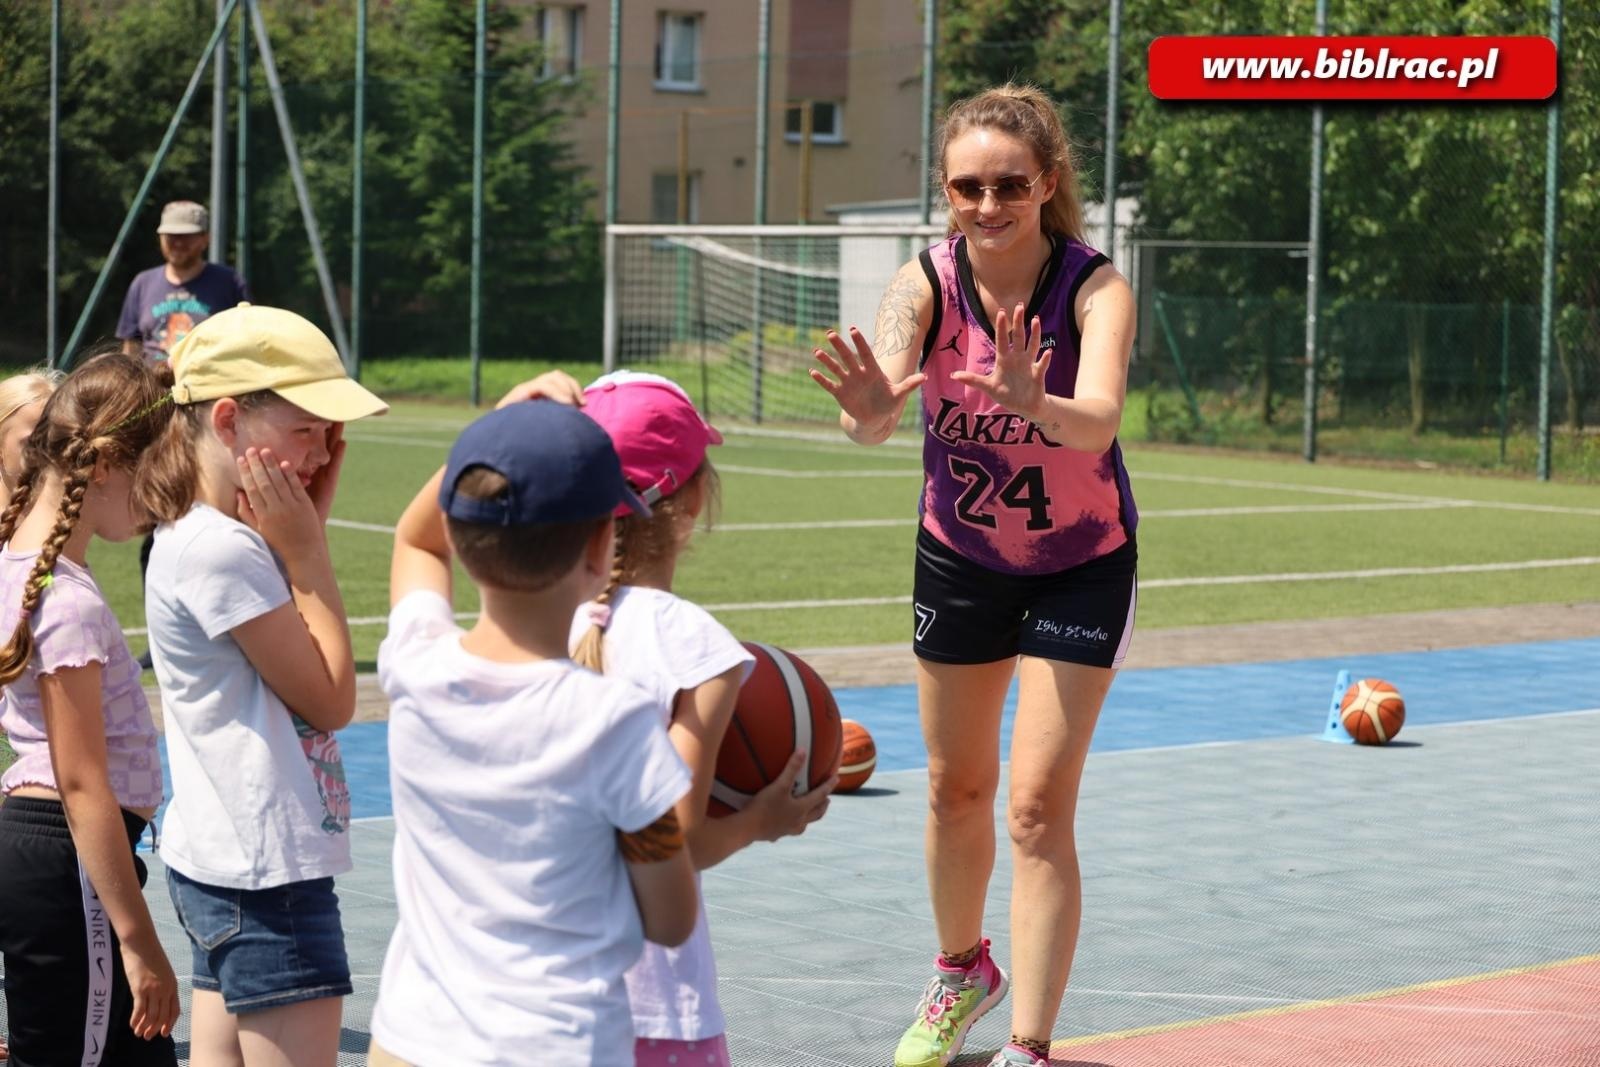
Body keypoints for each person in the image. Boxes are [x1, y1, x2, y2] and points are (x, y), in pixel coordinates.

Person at [811, 84, 1139, 1067]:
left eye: (1008, 184)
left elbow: (1099, 422)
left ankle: (1029, 1046)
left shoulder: (1093, 289)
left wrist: (1037, 401)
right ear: (944, 191)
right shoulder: (923, 284)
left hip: (1078, 564)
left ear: (1046, 183)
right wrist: (867, 408)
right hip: (959, 557)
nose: (987, 204)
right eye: (966, 186)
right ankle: (962, 971)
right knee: (956, 789)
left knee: (1036, 803)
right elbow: (869, 417)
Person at [369, 392, 699, 1067]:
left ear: (462, 542)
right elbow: (670, 917)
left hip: (410, 1039)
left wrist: (496, 426)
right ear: (602, 547)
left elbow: (413, 536)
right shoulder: (615, 721)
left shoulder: (414, 663)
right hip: (558, 1042)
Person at [132, 304, 387, 1067]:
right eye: (307, 430)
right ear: (231, 419)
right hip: (268, 871)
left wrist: (307, 519)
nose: (322, 451)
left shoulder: (199, 533)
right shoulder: (223, 551)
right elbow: (332, 696)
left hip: (226, 860)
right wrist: (310, 553)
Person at [569, 370, 836, 1067]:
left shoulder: (530, 622)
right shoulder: (694, 646)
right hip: (652, 996)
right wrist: (759, 821)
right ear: (689, 503)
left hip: (531, 987)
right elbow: (677, 842)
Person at [0, 350, 182, 1065]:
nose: (162, 496)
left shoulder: (21, 566)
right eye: (156, 471)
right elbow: (82, 784)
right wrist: (139, 945)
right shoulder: (65, 600)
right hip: (68, 861)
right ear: (106, 462)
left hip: (59, 861)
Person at [0, 369, 61, 780]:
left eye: (57, 442)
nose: (47, 455)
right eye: (30, 443)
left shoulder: (56, 527)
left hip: (41, 727)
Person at [117, 200, 251, 362]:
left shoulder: (229, 282)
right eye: (171, 237)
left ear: (205, 239)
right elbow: (131, 348)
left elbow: (247, 340)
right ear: (160, 238)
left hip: (209, 384)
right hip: (153, 385)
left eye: (187, 236)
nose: (178, 243)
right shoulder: (142, 283)